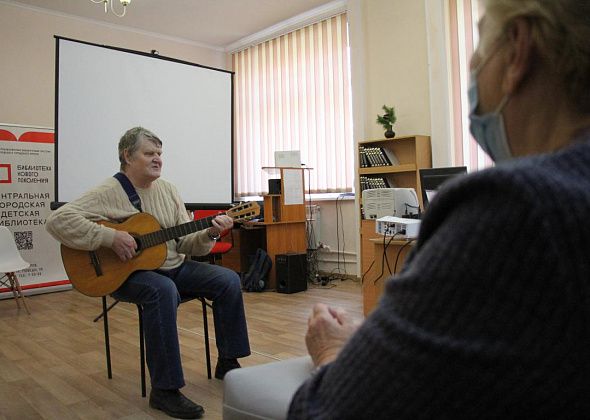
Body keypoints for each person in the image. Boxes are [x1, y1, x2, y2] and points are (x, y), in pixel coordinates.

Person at [225, 0, 590, 418]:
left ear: (518, 51)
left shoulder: (513, 208)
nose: (471, 68)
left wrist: (331, 351)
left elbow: (336, 409)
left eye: (479, 44)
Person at [47, 127, 250, 419]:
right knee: (161, 290)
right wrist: (109, 238)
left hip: (172, 267)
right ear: (128, 156)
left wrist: (210, 233)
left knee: (228, 279)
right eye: (149, 153)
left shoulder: (168, 190)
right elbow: (57, 221)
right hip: (126, 276)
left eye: (159, 154)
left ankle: (228, 363)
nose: (157, 159)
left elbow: (186, 243)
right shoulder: (109, 191)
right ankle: (165, 391)